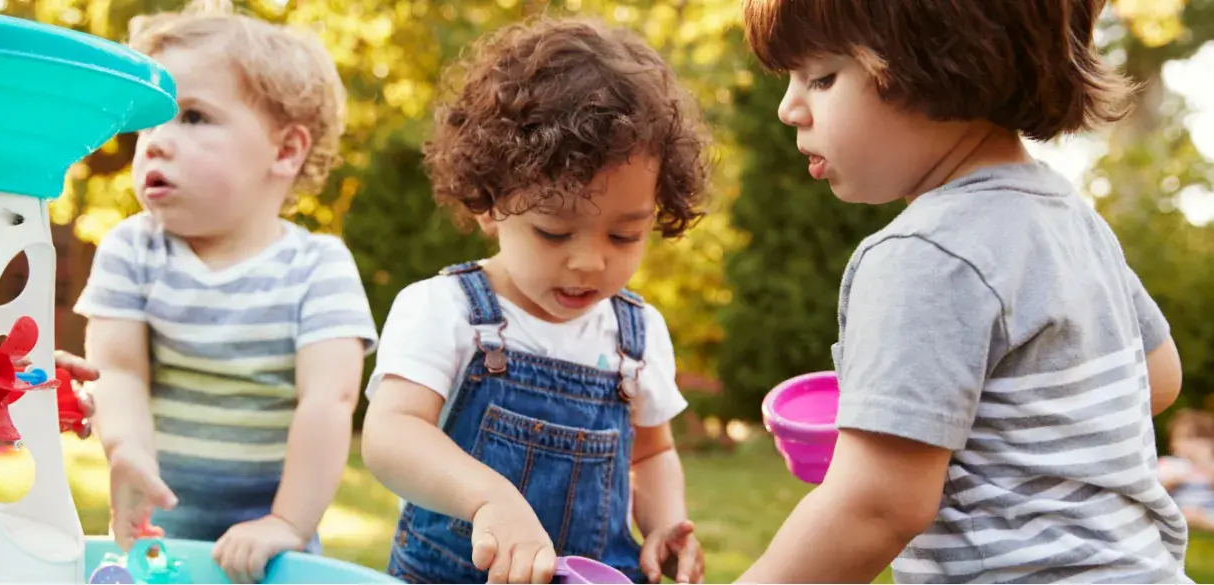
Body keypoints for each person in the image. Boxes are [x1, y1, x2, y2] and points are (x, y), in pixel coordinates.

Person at [735, 0, 1189, 583]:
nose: (788, 108)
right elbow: (1157, 377)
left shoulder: (925, 253)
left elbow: (874, 507)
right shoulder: (1071, 217)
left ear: (940, 61)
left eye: (822, 77)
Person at [361, 18, 710, 585]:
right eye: (553, 232)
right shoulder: (445, 310)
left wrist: (667, 525)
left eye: (624, 236)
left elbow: (649, 454)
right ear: (489, 202)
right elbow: (391, 435)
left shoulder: (637, 333)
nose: (590, 262)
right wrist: (488, 499)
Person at [73, 1, 378, 582]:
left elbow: (329, 401)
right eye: (148, 122)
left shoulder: (317, 267)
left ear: (285, 150)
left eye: (191, 117)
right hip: (161, 529)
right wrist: (127, 452)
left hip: (272, 542)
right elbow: (120, 372)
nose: (155, 142)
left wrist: (287, 522)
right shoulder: (131, 250)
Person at [1160, 410, 1214, 532]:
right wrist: (1172, 482)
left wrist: (1204, 462)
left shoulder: (1209, 466)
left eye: (1198, 438)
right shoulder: (1170, 464)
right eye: (1184, 438)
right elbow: (1155, 489)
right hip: (1180, 509)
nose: (1190, 445)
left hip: (1207, 511)